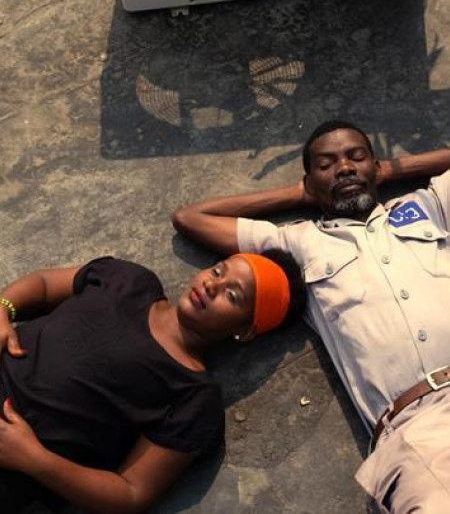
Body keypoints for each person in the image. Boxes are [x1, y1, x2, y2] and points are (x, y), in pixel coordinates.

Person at [172, 120, 450, 513]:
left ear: (375, 166)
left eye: (356, 157)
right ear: (309, 181)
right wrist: (302, 194)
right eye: (326, 165)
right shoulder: (298, 243)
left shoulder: (428, 206)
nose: (344, 168)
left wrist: (390, 171)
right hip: (417, 433)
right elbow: (190, 217)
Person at [0, 250, 301, 514]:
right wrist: (3, 310)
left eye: (232, 296)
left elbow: (132, 493)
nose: (212, 285)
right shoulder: (129, 280)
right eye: (217, 271)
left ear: (245, 331)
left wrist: (37, 460)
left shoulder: (194, 397)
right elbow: (43, 284)